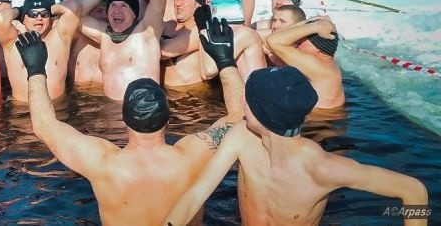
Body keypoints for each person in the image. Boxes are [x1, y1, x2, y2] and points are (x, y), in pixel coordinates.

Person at [18, 15, 245, 226]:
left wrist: (36, 69)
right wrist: (225, 61)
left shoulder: (102, 162)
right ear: (167, 118)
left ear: (125, 120)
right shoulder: (193, 155)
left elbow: (44, 125)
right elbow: (238, 117)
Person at [162, 66, 429, 226]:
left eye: (248, 100)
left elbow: (413, 190)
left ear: (262, 114)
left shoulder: (321, 169)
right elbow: (196, 195)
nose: (242, 104)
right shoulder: (240, 137)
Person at [75, 0, 167, 100]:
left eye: (124, 5)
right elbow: (73, 15)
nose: (117, 10)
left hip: (143, 114)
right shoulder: (104, 35)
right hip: (110, 113)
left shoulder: (146, 33)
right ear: (107, 12)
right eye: (112, 5)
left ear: (134, 13)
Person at [161, 0, 265, 88]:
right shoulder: (169, 24)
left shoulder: (201, 30)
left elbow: (165, 51)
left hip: (191, 97)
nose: (178, 3)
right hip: (167, 94)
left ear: (198, 4)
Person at [0, 0, 80, 102]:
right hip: (22, 112)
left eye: (44, 14)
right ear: (23, 18)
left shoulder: (60, 39)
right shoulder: (13, 43)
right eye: (32, 14)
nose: (39, 18)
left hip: (57, 110)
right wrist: (21, 9)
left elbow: (73, 7)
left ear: (50, 18)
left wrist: (50, 7)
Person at [266, 17, 345, 109]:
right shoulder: (327, 64)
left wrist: (315, 27)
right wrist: (305, 23)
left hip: (316, 120)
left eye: (301, 41)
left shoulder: (320, 67)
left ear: (319, 48)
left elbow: (272, 40)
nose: (297, 44)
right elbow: (267, 42)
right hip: (324, 118)